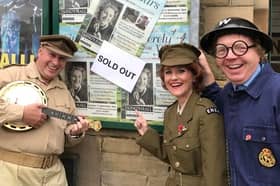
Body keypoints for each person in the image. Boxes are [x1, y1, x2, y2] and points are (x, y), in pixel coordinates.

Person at [0, 34, 89, 186]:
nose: (55, 62)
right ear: (40, 51)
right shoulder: (10, 75)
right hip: (12, 174)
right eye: (52, 55)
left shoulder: (63, 91)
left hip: (54, 175)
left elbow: (66, 133)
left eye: (62, 58)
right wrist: (21, 113)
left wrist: (75, 133)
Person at [199, 17, 278, 186]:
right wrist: (205, 74)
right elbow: (217, 101)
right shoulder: (229, 94)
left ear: (259, 51)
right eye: (221, 50)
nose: (230, 56)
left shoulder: (277, 92)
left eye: (240, 47)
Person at [134, 43, 227, 186]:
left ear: (194, 75)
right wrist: (146, 133)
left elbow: (214, 172)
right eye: (168, 72)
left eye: (181, 71)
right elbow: (175, 158)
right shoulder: (171, 112)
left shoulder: (206, 112)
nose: (174, 78)